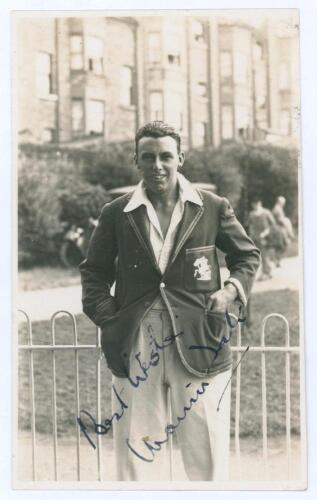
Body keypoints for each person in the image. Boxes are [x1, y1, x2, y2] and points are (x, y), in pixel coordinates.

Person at [79, 121, 260, 481]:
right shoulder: (117, 212)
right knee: (136, 456)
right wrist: (111, 319)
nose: (157, 165)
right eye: (148, 157)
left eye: (165, 156)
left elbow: (247, 257)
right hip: (136, 344)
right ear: (136, 160)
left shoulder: (211, 206)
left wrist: (229, 291)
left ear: (181, 158)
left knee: (207, 456)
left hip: (200, 342)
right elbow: (94, 274)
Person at [248, 199, 275, 280]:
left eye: (257, 203)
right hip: (255, 237)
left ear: (260, 203)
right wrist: (251, 234)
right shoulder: (252, 214)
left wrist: (266, 232)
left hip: (265, 236)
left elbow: (272, 224)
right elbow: (250, 225)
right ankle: (260, 273)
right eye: (254, 204)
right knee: (255, 256)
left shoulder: (266, 212)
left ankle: (267, 272)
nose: (255, 205)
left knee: (264, 254)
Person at [270, 196, 294, 267]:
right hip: (279, 229)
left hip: (278, 228)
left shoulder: (278, 208)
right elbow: (280, 220)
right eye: (282, 202)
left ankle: (277, 260)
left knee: (280, 245)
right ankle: (277, 260)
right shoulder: (277, 209)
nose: (283, 203)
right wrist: (287, 225)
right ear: (279, 202)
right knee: (284, 245)